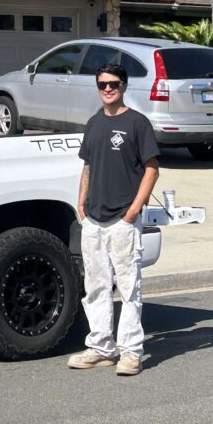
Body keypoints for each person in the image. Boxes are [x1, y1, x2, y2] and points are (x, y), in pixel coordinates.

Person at [67, 63, 160, 376]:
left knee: (129, 287)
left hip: (122, 219)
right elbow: (88, 166)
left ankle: (131, 351)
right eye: (102, 84)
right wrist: (81, 202)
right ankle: (101, 347)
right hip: (93, 218)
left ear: (124, 86)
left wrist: (133, 211)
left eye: (114, 84)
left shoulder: (137, 123)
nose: (108, 88)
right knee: (95, 286)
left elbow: (151, 169)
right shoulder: (94, 123)